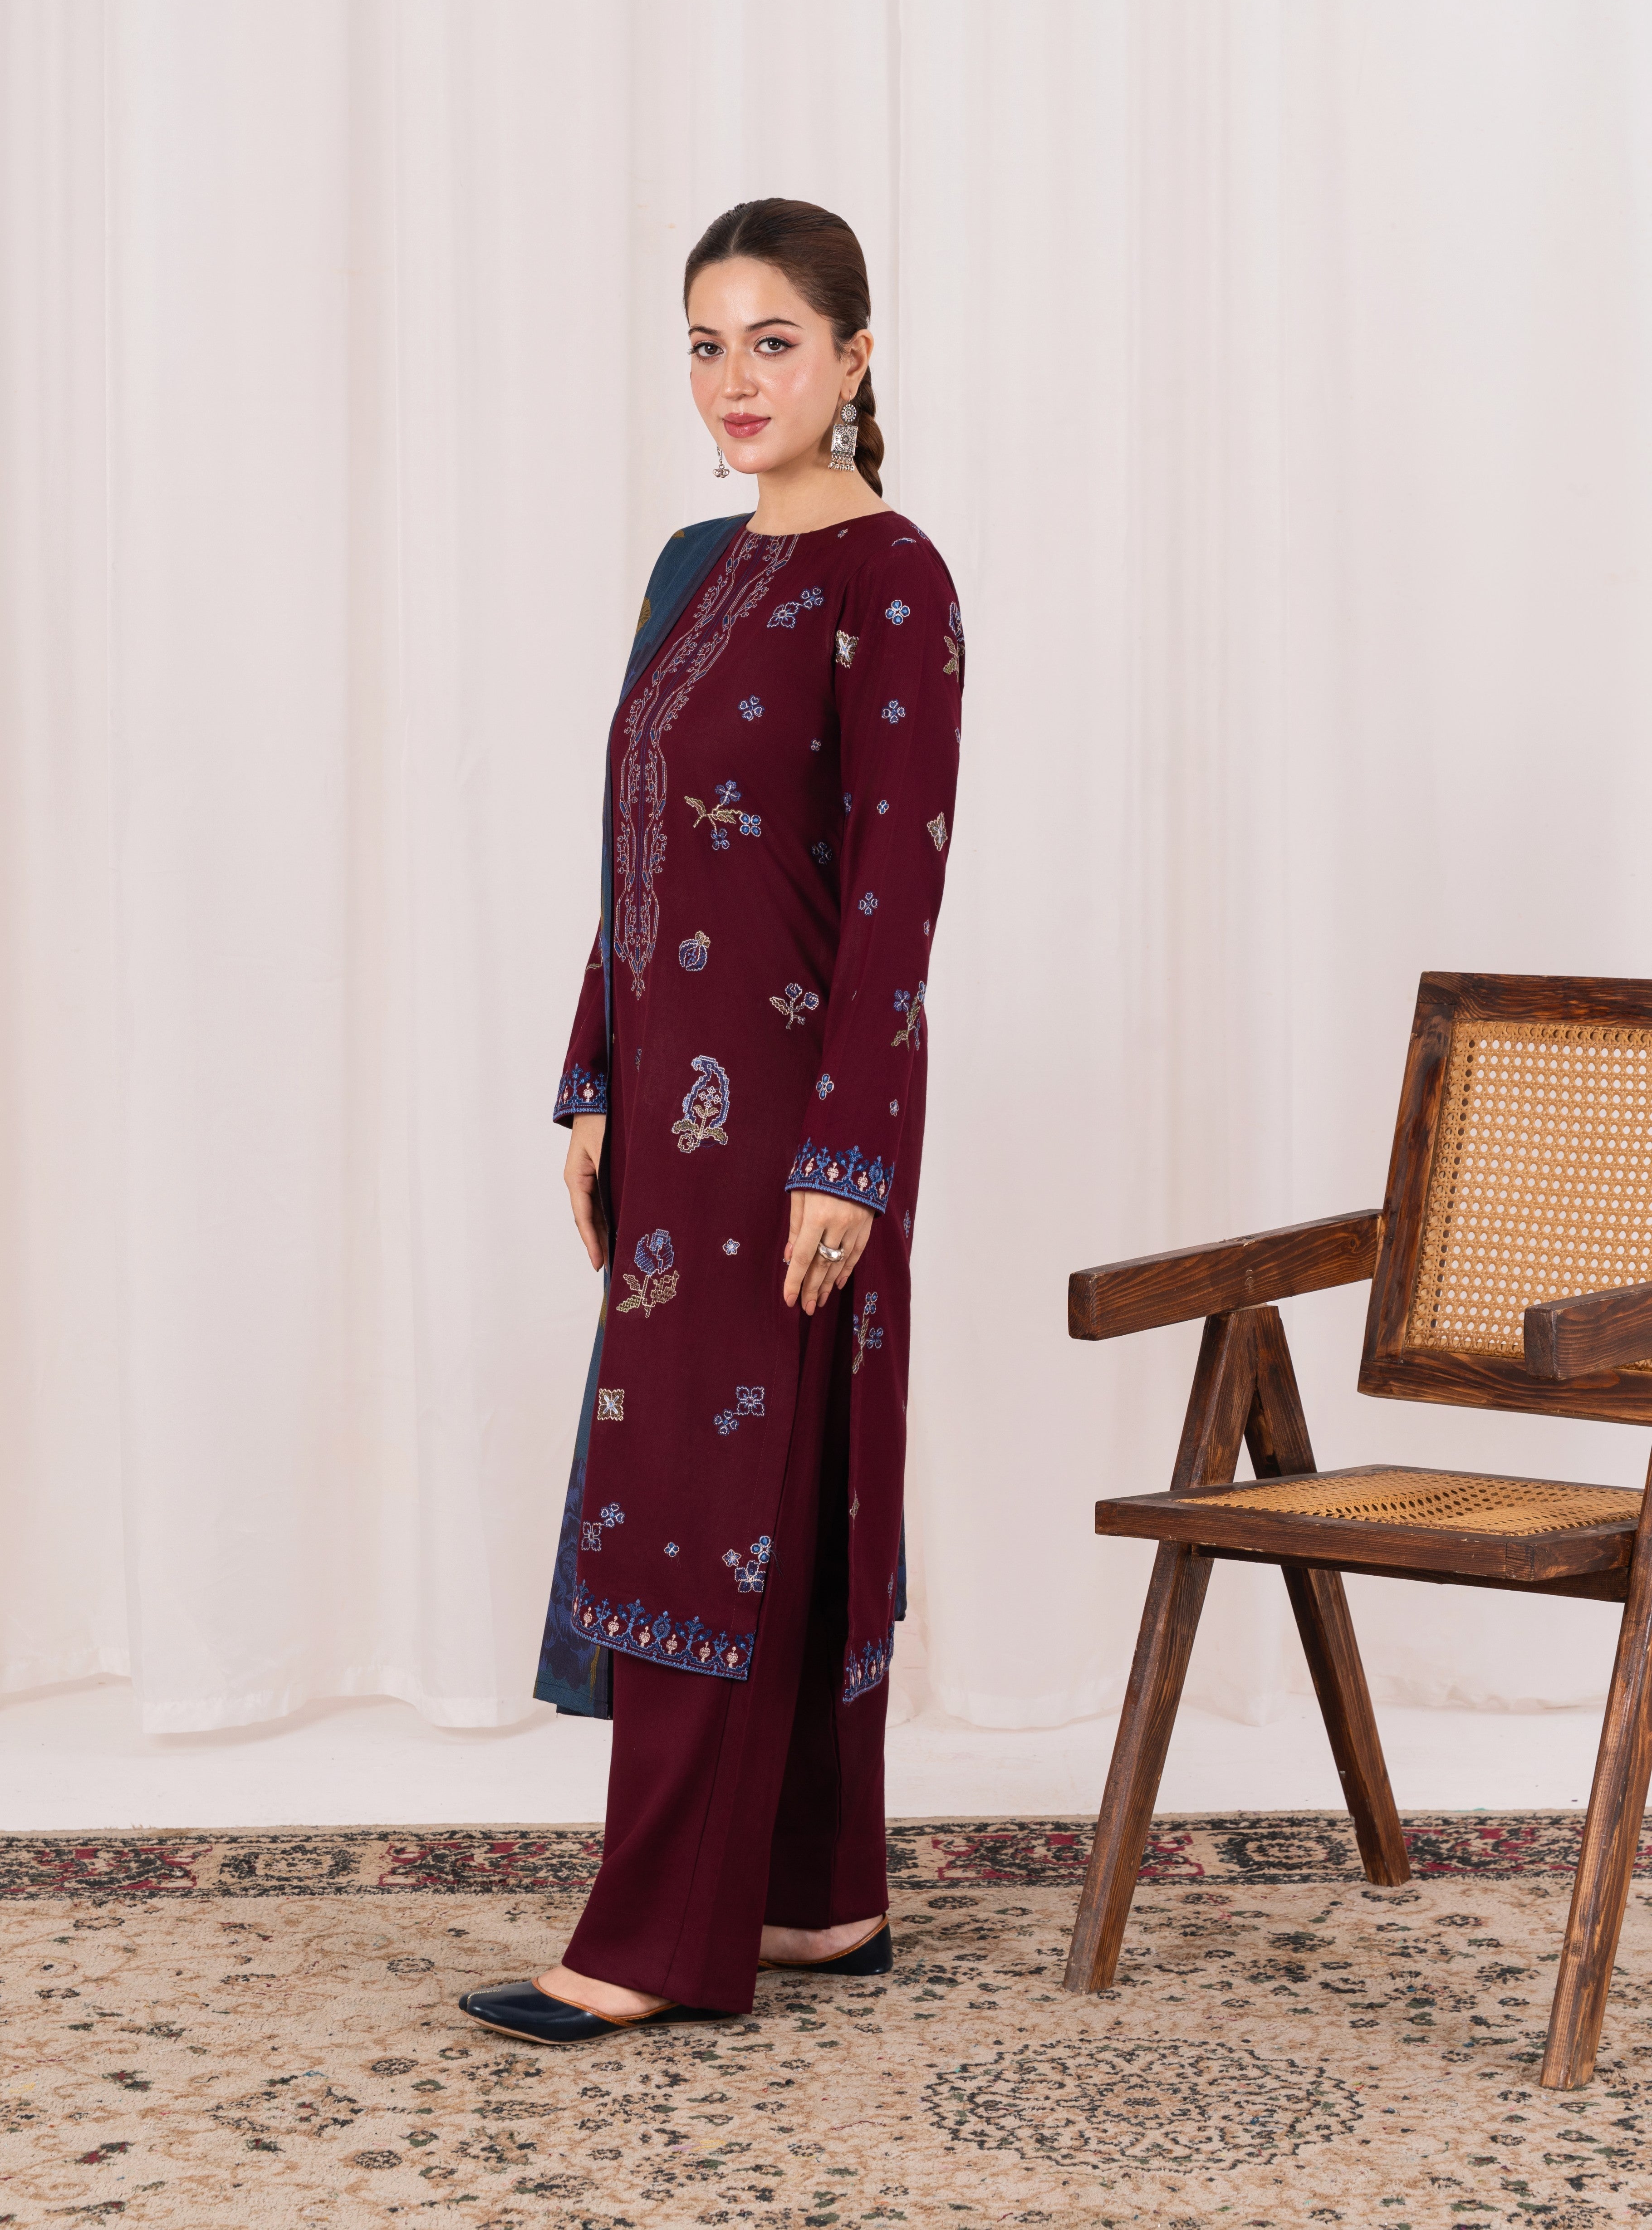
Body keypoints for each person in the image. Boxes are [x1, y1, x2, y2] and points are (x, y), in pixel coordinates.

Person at [460, 197, 963, 2044]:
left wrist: (849, 1157)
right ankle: (819, 1899)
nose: (734, 381)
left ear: (851, 355)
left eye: (772, 342)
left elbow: (896, 892)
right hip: (669, 1119)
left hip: (796, 1124)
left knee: (707, 1503)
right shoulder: (690, 565)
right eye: (702, 344)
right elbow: (634, 855)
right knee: (769, 1480)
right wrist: (593, 1079)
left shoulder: (891, 579)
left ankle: (657, 1942)